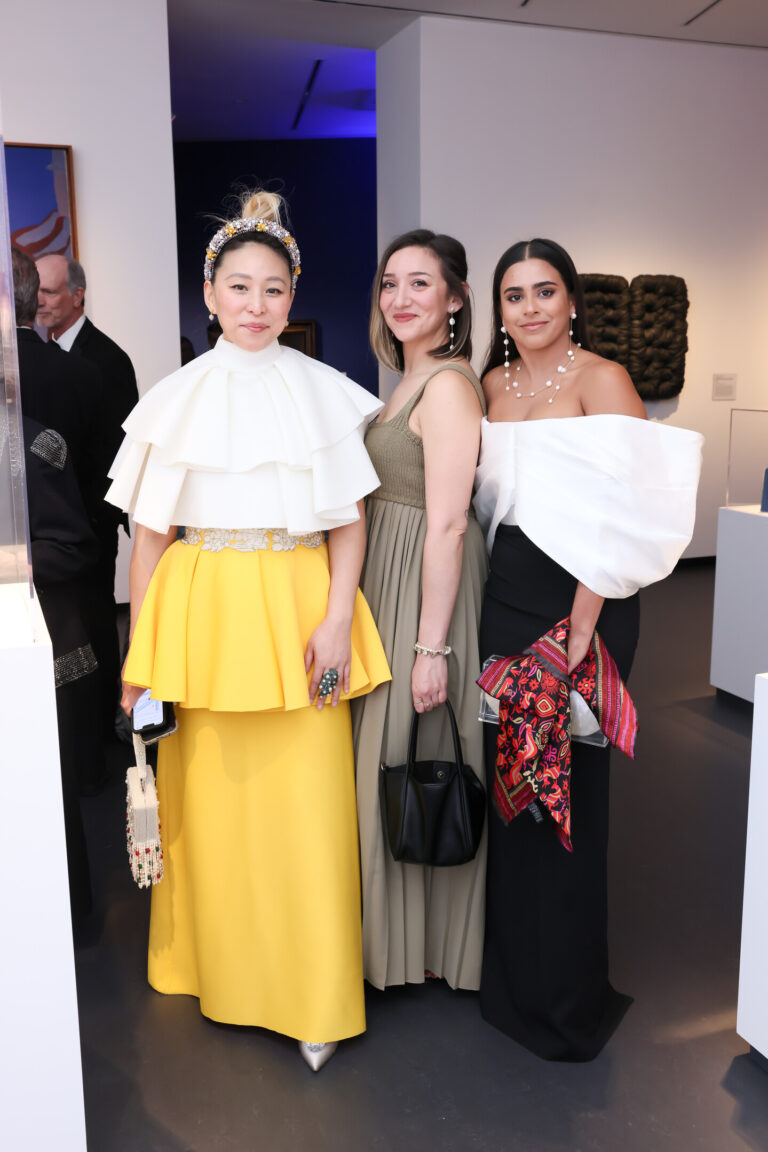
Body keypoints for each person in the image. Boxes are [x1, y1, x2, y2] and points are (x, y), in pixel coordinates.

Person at [107, 190, 390, 1071]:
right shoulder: (174, 397)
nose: (257, 304)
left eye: (274, 288)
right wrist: (143, 654)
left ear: (292, 293)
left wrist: (339, 618)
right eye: (240, 286)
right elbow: (150, 538)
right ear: (210, 293)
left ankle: (312, 993)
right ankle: (207, 965)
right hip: (201, 608)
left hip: (300, 607)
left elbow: (349, 523)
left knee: (307, 810)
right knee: (210, 804)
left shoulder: (325, 394)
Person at [473, 238, 703, 1061]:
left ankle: (565, 1000)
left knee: (571, 794)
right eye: (513, 295)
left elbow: (621, 512)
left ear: (571, 300)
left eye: (544, 292)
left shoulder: (603, 378)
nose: (529, 309)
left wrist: (577, 630)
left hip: (584, 604)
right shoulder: (492, 385)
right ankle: (511, 982)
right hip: (507, 600)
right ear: (497, 309)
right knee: (513, 784)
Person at [352, 230, 488, 991]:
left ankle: (426, 950)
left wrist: (430, 647)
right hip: (389, 577)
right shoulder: (403, 380)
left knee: (415, 753)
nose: (401, 299)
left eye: (421, 285)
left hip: (425, 587)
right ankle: (393, 945)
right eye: (390, 284)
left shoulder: (447, 386)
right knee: (393, 755)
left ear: (455, 299)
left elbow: (448, 521)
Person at [37, 252, 139, 744]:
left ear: (78, 296)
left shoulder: (107, 360)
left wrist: (94, 522)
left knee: (95, 622)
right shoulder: (51, 354)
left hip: (89, 525)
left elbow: (118, 452)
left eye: (50, 292)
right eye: (35, 292)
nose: (40, 302)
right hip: (63, 528)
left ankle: (105, 729)